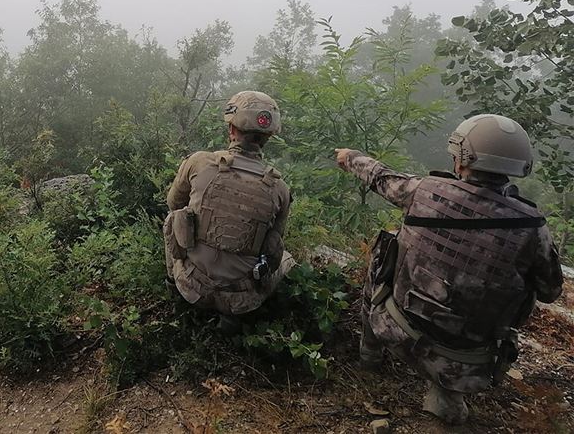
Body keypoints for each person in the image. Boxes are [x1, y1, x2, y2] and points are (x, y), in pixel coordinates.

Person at [335, 114, 563, 424]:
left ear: (461, 160)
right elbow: (550, 292)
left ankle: (369, 356)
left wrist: (350, 157)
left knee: (382, 254)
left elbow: (380, 176)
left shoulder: (423, 191)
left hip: (396, 329)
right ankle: (446, 396)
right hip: (468, 362)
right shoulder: (532, 226)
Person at [163, 91, 293, 333]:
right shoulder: (279, 188)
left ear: (232, 129)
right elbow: (272, 245)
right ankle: (231, 321)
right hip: (241, 300)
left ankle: (173, 287)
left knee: (173, 219)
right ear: (267, 137)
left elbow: (174, 203)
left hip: (191, 285)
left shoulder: (200, 162)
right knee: (287, 258)